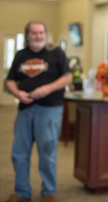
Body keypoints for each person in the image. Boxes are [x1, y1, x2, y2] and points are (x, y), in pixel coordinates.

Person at [3, 21, 72, 202]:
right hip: (25, 109)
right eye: (34, 33)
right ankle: (21, 192)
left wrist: (47, 89)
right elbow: (10, 80)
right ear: (27, 36)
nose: (38, 36)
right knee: (19, 152)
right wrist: (17, 92)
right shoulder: (20, 55)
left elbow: (67, 77)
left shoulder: (56, 53)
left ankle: (48, 192)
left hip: (49, 109)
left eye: (41, 32)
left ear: (45, 34)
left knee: (47, 152)